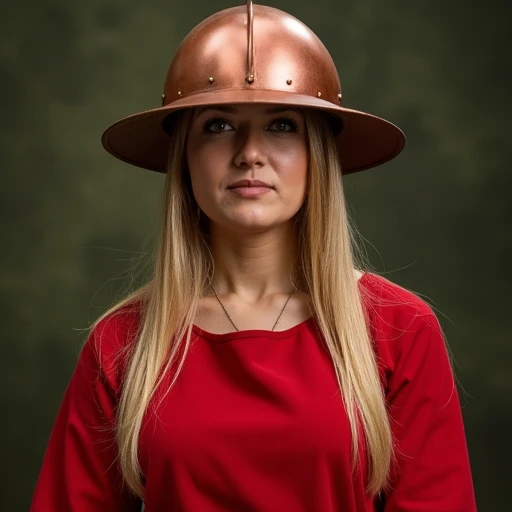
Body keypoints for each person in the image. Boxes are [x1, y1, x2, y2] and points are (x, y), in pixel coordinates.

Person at [30, 2, 477, 511]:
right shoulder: (122, 343)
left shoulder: (401, 329)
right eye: (219, 126)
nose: (250, 153)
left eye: (282, 125)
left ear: (317, 155)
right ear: (184, 158)